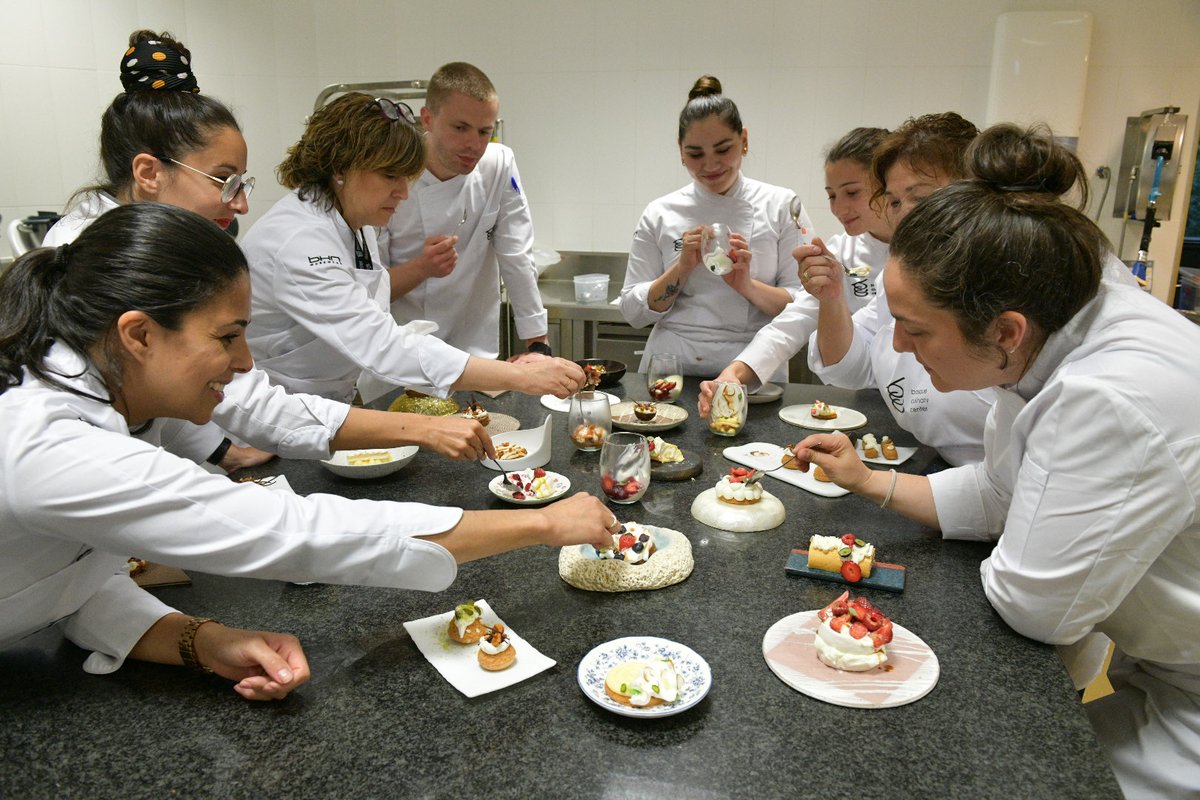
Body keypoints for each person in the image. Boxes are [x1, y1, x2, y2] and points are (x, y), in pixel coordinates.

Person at [0, 204, 616, 701]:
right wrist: (539, 523)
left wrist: (199, 640)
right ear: (138, 334)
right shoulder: (48, 444)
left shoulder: (106, 395)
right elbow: (286, 528)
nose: (245, 363)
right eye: (227, 338)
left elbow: (75, 577)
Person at [790, 124, 1200, 798]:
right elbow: (1002, 487)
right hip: (1159, 661)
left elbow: (1033, 603)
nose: (897, 343)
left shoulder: (1109, 395)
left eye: (915, 329)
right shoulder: (1044, 336)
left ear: (1004, 332)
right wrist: (871, 480)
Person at [243, 92, 583, 404]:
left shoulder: (352, 224)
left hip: (326, 404)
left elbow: (372, 307)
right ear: (340, 168)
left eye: (407, 177)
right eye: (391, 176)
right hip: (278, 411)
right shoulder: (299, 240)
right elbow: (380, 344)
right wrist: (522, 376)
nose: (403, 193)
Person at [42, 29, 272, 474]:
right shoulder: (96, 255)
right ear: (149, 172)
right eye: (224, 181)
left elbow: (162, 384)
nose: (241, 203)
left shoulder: (152, 242)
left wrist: (218, 451)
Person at [618, 75, 814, 380]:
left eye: (723, 150)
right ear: (680, 151)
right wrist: (681, 269)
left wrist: (747, 286)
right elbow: (632, 311)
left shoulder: (781, 205)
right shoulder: (660, 212)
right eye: (695, 154)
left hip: (752, 365)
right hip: (674, 365)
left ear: (744, 140)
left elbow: (806, 302)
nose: (710, 165)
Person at [697, 126, 892, 410]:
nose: (838, 208)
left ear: (887, 184)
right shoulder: (840, 252)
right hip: (866, 396)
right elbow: (793, 321)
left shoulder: (923, 251)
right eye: (832, 195)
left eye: (852, 192)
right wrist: (736, 373)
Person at [378, 62, 550, 361]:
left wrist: (538, 344)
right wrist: (422, 267)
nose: (474, 144)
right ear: (427, 119)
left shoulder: (498, 164)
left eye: (485, 131)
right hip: (400, 353)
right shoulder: (389, 176)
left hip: (473, 349)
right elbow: (370, 291)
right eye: (460, 128)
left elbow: (516, 255)